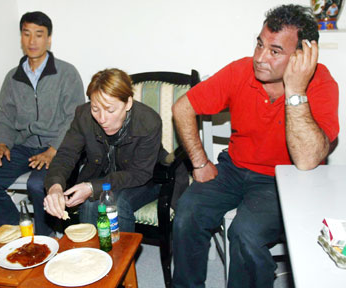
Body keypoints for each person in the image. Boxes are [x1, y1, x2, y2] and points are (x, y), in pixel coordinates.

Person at [172, 4, 339, 288]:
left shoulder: (321, 84)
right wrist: (199, 162)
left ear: (302, 57)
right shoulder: (240, 71)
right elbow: (182, 107)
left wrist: (296, 92)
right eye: (259, 44)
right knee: (187, 213)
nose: (260, 58)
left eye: (275, 51)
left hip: (286, 180)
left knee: (245, 233)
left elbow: (308, 160)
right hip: (234, 168)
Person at [0, 11, 85, 236]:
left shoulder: (66, 73)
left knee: (38, 185)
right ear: (21, 38)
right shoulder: (12, 78)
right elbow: (5, 115)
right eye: (27, 34)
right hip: (23, 146)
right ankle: (19, 232)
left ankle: (46, 237)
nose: (32, 41)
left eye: (39, 35)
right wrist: (2, 143)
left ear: (48, 39)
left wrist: (53, 150)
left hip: (58, 146)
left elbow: (74, 118)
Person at [43, 68, 187, 232]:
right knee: (91, 205)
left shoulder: (148, 121)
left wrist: (91, 187)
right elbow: (66, 154)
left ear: (128, 103)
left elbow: (139, 173)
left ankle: (121, 256)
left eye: (110, 110)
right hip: (103, 176)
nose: (102, 119)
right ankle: (94, 256)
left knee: (113, 204)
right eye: (95, 109)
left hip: (146, 177)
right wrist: (55, 187)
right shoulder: (83, 115)